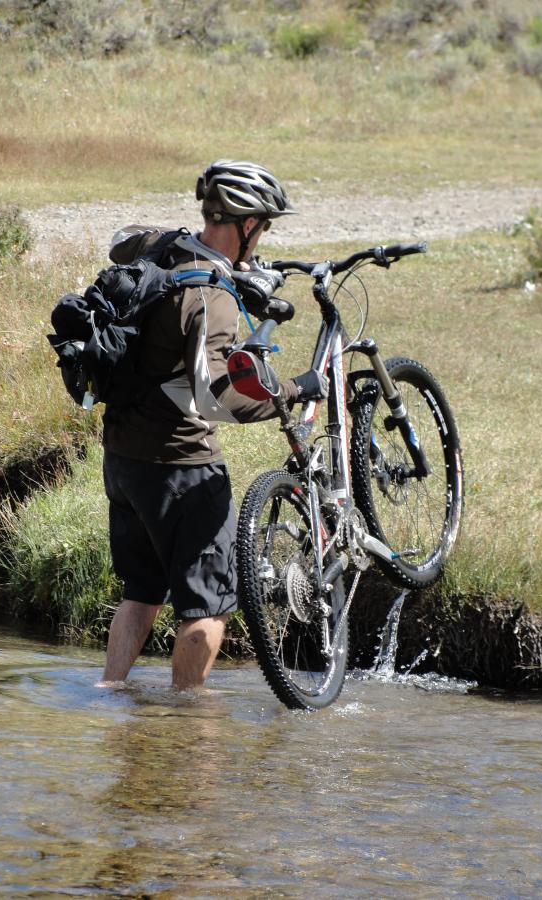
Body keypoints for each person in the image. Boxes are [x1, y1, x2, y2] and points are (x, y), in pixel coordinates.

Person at [99, 159, 327, 691]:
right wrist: (295, 388)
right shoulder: (212, 298)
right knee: (207, 606)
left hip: (123, 461)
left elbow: (120, 241)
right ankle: (186, 726)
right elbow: (217, 398)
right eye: (264, 226)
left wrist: (236, 275)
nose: (264, 234)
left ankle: (106, 695)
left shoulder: (162, 250)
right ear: (247, 225)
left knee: (142, 592)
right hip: (182, 470)